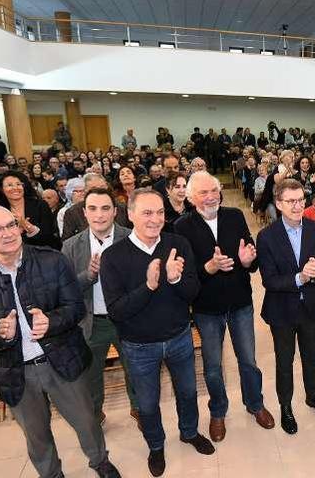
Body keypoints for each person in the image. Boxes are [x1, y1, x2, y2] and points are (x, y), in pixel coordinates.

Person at [0, 205, 120, 478]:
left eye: (11, 225)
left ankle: (100, 461)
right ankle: (52, 474)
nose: (7, 233)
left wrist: (51, 322)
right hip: (15, 370)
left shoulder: (51, 260)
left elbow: (75, 307)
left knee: (86, 420)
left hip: (63, 360)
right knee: (36, 433)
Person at [100, 188, 214, 475]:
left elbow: (193, 292)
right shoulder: (113, 256)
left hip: (179, 337)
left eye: (160, 212)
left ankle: (189, 432)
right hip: (139, 346)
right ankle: (156, 446)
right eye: (147, 213)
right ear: (130, 215)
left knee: (187, 392)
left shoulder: (178, 244)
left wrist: (174, 279)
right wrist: (149, 286)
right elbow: (117, 310)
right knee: (148, 404)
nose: (155, 219)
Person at [173, 171, 274, 442]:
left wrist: (246, 261)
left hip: (240, 302)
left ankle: (255, 404)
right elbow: (187, 276)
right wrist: (210, 267)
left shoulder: (235, 216)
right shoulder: (182, 227)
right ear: (192, 198)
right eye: (203, 193)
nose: (210, 197)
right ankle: (218, 411)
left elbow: (251, 258)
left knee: (249, 361)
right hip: (206, 309)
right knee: (213, 367)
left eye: (214, 191)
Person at [256, 179, 315, 434]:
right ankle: (286, 406)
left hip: (311, 307)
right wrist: (300, 277)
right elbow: (269, 280)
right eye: (291, 201)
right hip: (282, 311)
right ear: (278, 204)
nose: (297, 205)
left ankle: (313, 397)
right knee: (284, 361)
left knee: (312, 358)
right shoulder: (266, 237)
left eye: (301, 199)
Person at [61, 188, 139, 428]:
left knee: (136, 370)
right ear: (84, 213)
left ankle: (140, 410)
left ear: (115, 212)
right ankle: (95, 415)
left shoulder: (132, 238)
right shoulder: (71, 246)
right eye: (92, 208)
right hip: (91, 321)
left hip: (127, 320)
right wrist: (89, 275)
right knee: (91, 377)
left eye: (105, 208)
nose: (99, 215)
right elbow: (65, 289)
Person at [0, 171, 61, 250]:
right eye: (9, 185)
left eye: (18, 184)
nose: (15, 188)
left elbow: (49, 236)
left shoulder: (40, 205)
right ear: (1, 189)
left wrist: (29, 228)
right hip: (11, 254)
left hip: (40, 252)